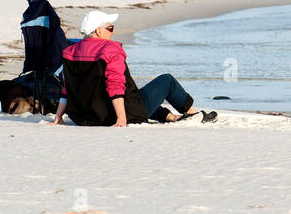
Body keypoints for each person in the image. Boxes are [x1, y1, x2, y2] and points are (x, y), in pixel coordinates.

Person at [49, 11, 217, 127]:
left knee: (138, 95)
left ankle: (169, 116)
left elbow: (67, 88)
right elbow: (115, 87)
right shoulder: (110, 50)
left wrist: (59, 117)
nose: (112, 33)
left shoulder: (69, 52)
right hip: (112, 115)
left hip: (82, 116)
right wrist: (122, 118)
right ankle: (193, 115)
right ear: (98, 31)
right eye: (110, 28)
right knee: (167, 81)